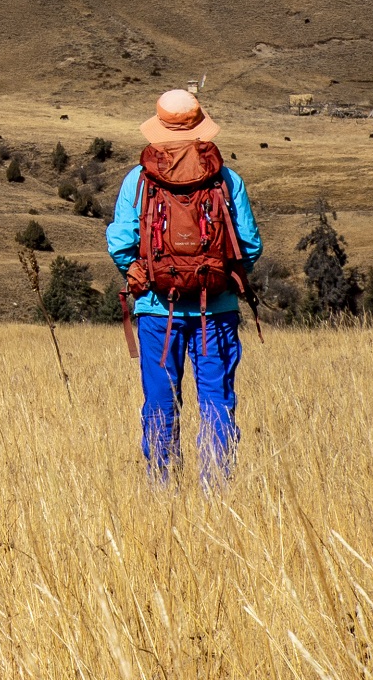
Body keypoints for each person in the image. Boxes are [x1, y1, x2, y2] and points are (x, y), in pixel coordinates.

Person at [105, 87, 260, 480]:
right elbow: (250, 245)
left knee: (160, 401)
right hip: (217, 309)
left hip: (158, 309)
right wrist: (218, 274)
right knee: (217, 401)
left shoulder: (138, 180)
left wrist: (146, 273)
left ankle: (162, 488)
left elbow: (121, 242)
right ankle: (217, 491)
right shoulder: (226, 179)